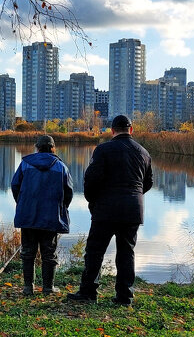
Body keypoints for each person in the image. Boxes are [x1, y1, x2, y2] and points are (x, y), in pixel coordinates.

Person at [68, 114, 153, 306]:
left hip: (106, 208)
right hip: (133, 210)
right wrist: (133, 196)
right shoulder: (144, 152)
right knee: (126, 252)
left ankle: (88, 292)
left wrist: (93, 200)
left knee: (95, 251)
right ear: (131, 130)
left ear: (112, 131)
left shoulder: (103, 150)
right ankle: (125, 297)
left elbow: (91, 179)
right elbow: (147, 183)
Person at [10, 134, 74, 297]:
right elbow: (68, 192)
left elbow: (15, 185)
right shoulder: (61, 166)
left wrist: (23, 203)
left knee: (27, 252)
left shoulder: (25, 164)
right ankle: (48, 288)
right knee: (49, 253)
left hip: (28, 215)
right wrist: (61, 207)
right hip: (51, 216)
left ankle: (28, 288)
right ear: (53, 148)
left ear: (36, 147)